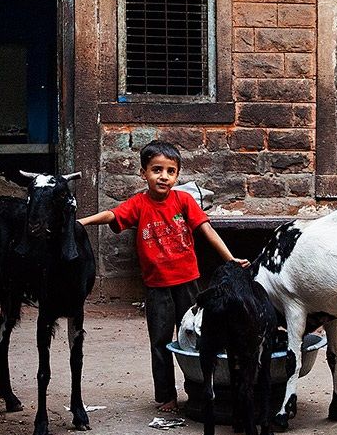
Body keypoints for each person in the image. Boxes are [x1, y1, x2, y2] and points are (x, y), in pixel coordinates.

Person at [78, 140, 249, 413]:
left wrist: (230, 259)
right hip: (157, 287)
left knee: (196, 336)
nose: (164, 176)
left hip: (188, 283)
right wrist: (81, 223)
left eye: (170, 171)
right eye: (156, 170)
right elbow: (112, 215)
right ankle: (167, 395)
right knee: (160, 342)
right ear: (143, 173)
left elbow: (207, 230)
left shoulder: (184, 201)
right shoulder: (139, 204)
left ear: (177, 175)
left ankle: (200, 388)